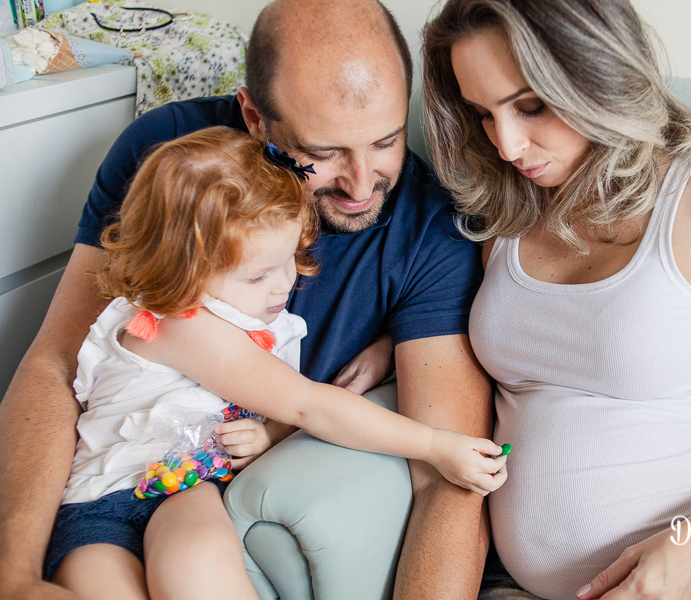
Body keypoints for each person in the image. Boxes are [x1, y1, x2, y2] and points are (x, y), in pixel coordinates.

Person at [0, 1, 497, 599]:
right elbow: (58, 361)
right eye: (323, 152)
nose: (363, 185)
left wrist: (390, 348)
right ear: (254, 117)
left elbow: (445, 484)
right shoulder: (172, 165)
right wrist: (15, 575)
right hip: (105, 491)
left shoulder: (432, 229)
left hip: (192, 491)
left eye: (386, 140)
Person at [421, 1, 691, 599]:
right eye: (482, 114)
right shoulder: (505, 216)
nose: (508, 145)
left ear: (597, 75)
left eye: (531, 105)